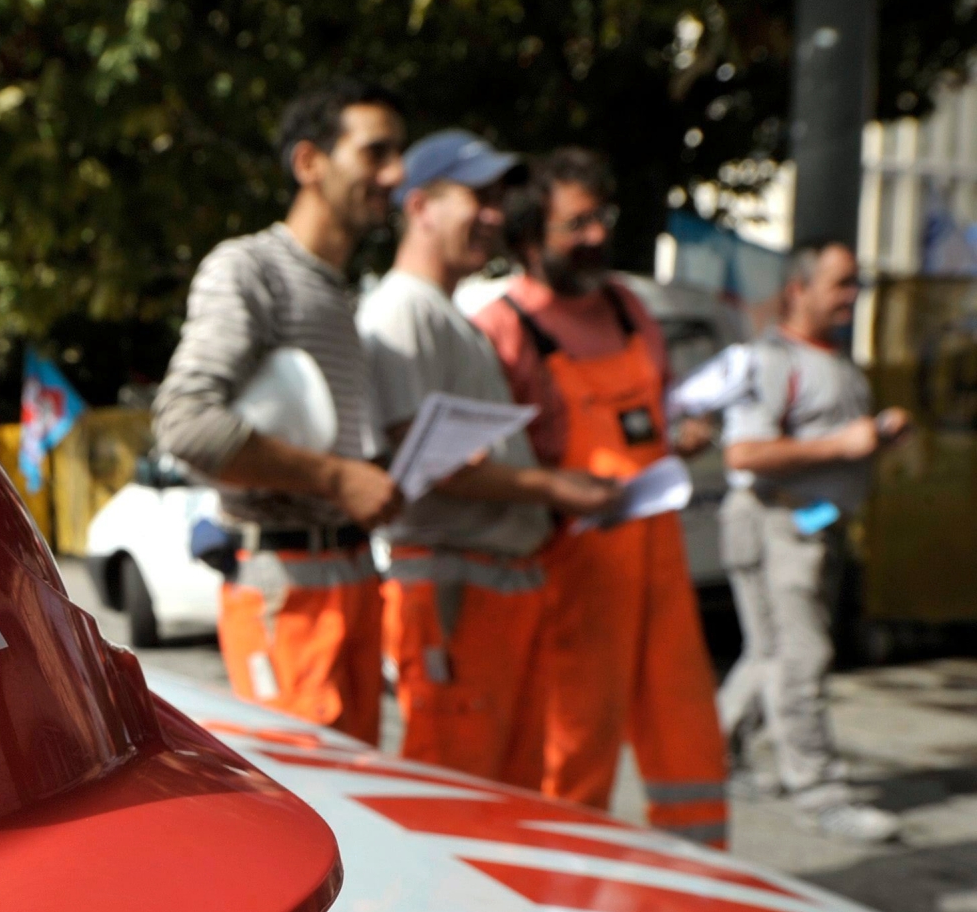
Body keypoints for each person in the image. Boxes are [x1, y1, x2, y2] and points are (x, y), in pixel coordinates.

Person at [471, 148, 729, 847]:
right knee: (573, 752)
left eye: (600, 218)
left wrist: (686, 431)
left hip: (660, 561)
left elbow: (657, 410)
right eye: (575, 224)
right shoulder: (501, 329)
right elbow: (486, 467)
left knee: (687, 733)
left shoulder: (627, 307)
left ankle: (701, 894)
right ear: (530, 238)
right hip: (575, 575)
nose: (595, 236)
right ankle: (565, 899)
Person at [357, 131, 619, 786]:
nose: (497, 215)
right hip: (456, 591)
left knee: (501, 798)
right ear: (419, 207)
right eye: (478, 196)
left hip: (492, 592)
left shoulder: (450, 316)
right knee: (456, 797)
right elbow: (428, 465)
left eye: (499, 198)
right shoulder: (401, 311)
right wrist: (557, 488)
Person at [153, 80, 404, 744]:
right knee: (323, 817)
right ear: (309, 163)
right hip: (288, 596)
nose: (396, 174)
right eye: (375, 152)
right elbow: (185, 423)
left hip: (347, 584)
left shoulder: (336, 293)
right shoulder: (250, 269)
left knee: (361, 817)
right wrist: (340, 480)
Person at [716, 240, 909, 842]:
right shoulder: (769, 359)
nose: (853, 297)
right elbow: (744, 454)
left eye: (857, 284)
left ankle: (714, 755)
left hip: (811, 528)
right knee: (801, 656)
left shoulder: (834, 361)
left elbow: (837, 438)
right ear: (799, 289)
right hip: (775, 523)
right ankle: (820, 793)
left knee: (770, 655)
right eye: (841, 284)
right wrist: (843, 447)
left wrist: (875, 438)